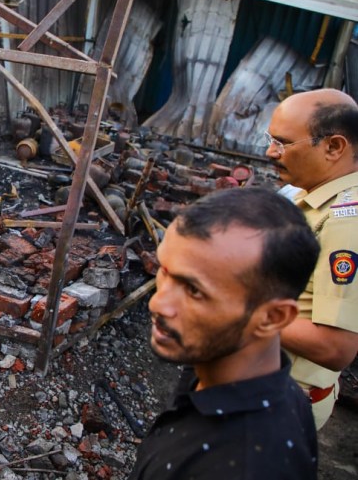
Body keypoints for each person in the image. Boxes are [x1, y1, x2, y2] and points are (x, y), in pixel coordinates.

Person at [129, 188, 319, 480]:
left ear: (272, 317)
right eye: (165, 271)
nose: (158, 303)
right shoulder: (216, 368)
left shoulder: (243, 466)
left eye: (194, 290)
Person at [265, 88, 358, 429]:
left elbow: (335, 347)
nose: (269, 151)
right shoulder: (303, 190)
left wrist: (237, 307)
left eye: (283, 143)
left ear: (334, 147)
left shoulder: (348, 223)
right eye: (270, 138)